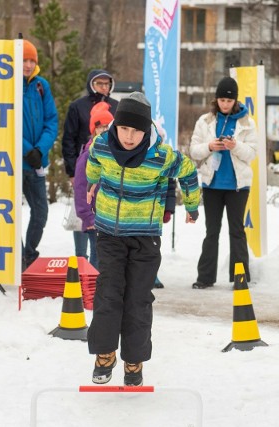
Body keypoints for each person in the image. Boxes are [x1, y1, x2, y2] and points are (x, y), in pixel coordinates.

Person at [86, 92, 200, 386]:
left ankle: (133, 361)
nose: (129, 136)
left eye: (136, 130)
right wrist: (92, 181)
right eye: (124, 128)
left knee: (138, 299)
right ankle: (105, 354)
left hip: (145, 239)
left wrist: (191, 205)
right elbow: (93, 165)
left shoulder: (160, 156)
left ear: (146, 130)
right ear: (115, 126)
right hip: (109, 234)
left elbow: (188, 171)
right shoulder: (102, 145)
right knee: (109, 294)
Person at [188, 76, 257, 289]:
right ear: (216, 100)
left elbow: (252, 154)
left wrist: (234, 146)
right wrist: (210, 146)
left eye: (229, 101)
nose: (225, 104)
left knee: (237, 231)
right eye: (221, 100)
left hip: (237, 186)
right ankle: (205, 278)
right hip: (212, 185)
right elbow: (193, 150)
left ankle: (240, 278)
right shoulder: (205, 121)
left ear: (235, 101)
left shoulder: (247, 122)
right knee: (212, 231)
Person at [62, 70, 118, 263]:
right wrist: (71, 170)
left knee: (101, 246)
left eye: (107, 84)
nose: (104, 87)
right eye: (100, 83)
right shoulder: (78, 106)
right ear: (91, 84)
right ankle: (80, 258)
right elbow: (68, 139)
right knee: (82, 214)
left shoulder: (117, 106)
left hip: (108, 182)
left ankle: (96, 274)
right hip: (84, 166)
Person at [22, 40, 58, 268]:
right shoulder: (6, 85)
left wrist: (40, 149)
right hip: (12, 162)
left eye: (31, 60)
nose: (27, 65)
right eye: (24, 60)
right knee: (9, 214)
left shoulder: (41, 85)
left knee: (41, 212)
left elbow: (51, 121)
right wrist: (27, 149)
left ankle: (28, 253)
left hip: (36, 162)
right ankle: (12, 257)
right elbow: (5, 123)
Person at [73, 102, 114, 270]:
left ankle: (99, 288)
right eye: (100, 128)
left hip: (108, 216)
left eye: (108, 127)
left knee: (105, 255)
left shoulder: (111, 153)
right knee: (98, 255)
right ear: (93, 130)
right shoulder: (89, 155)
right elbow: (81, 187)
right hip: (94, 217)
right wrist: (87, 216)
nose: (104, 131)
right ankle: (92, 289)